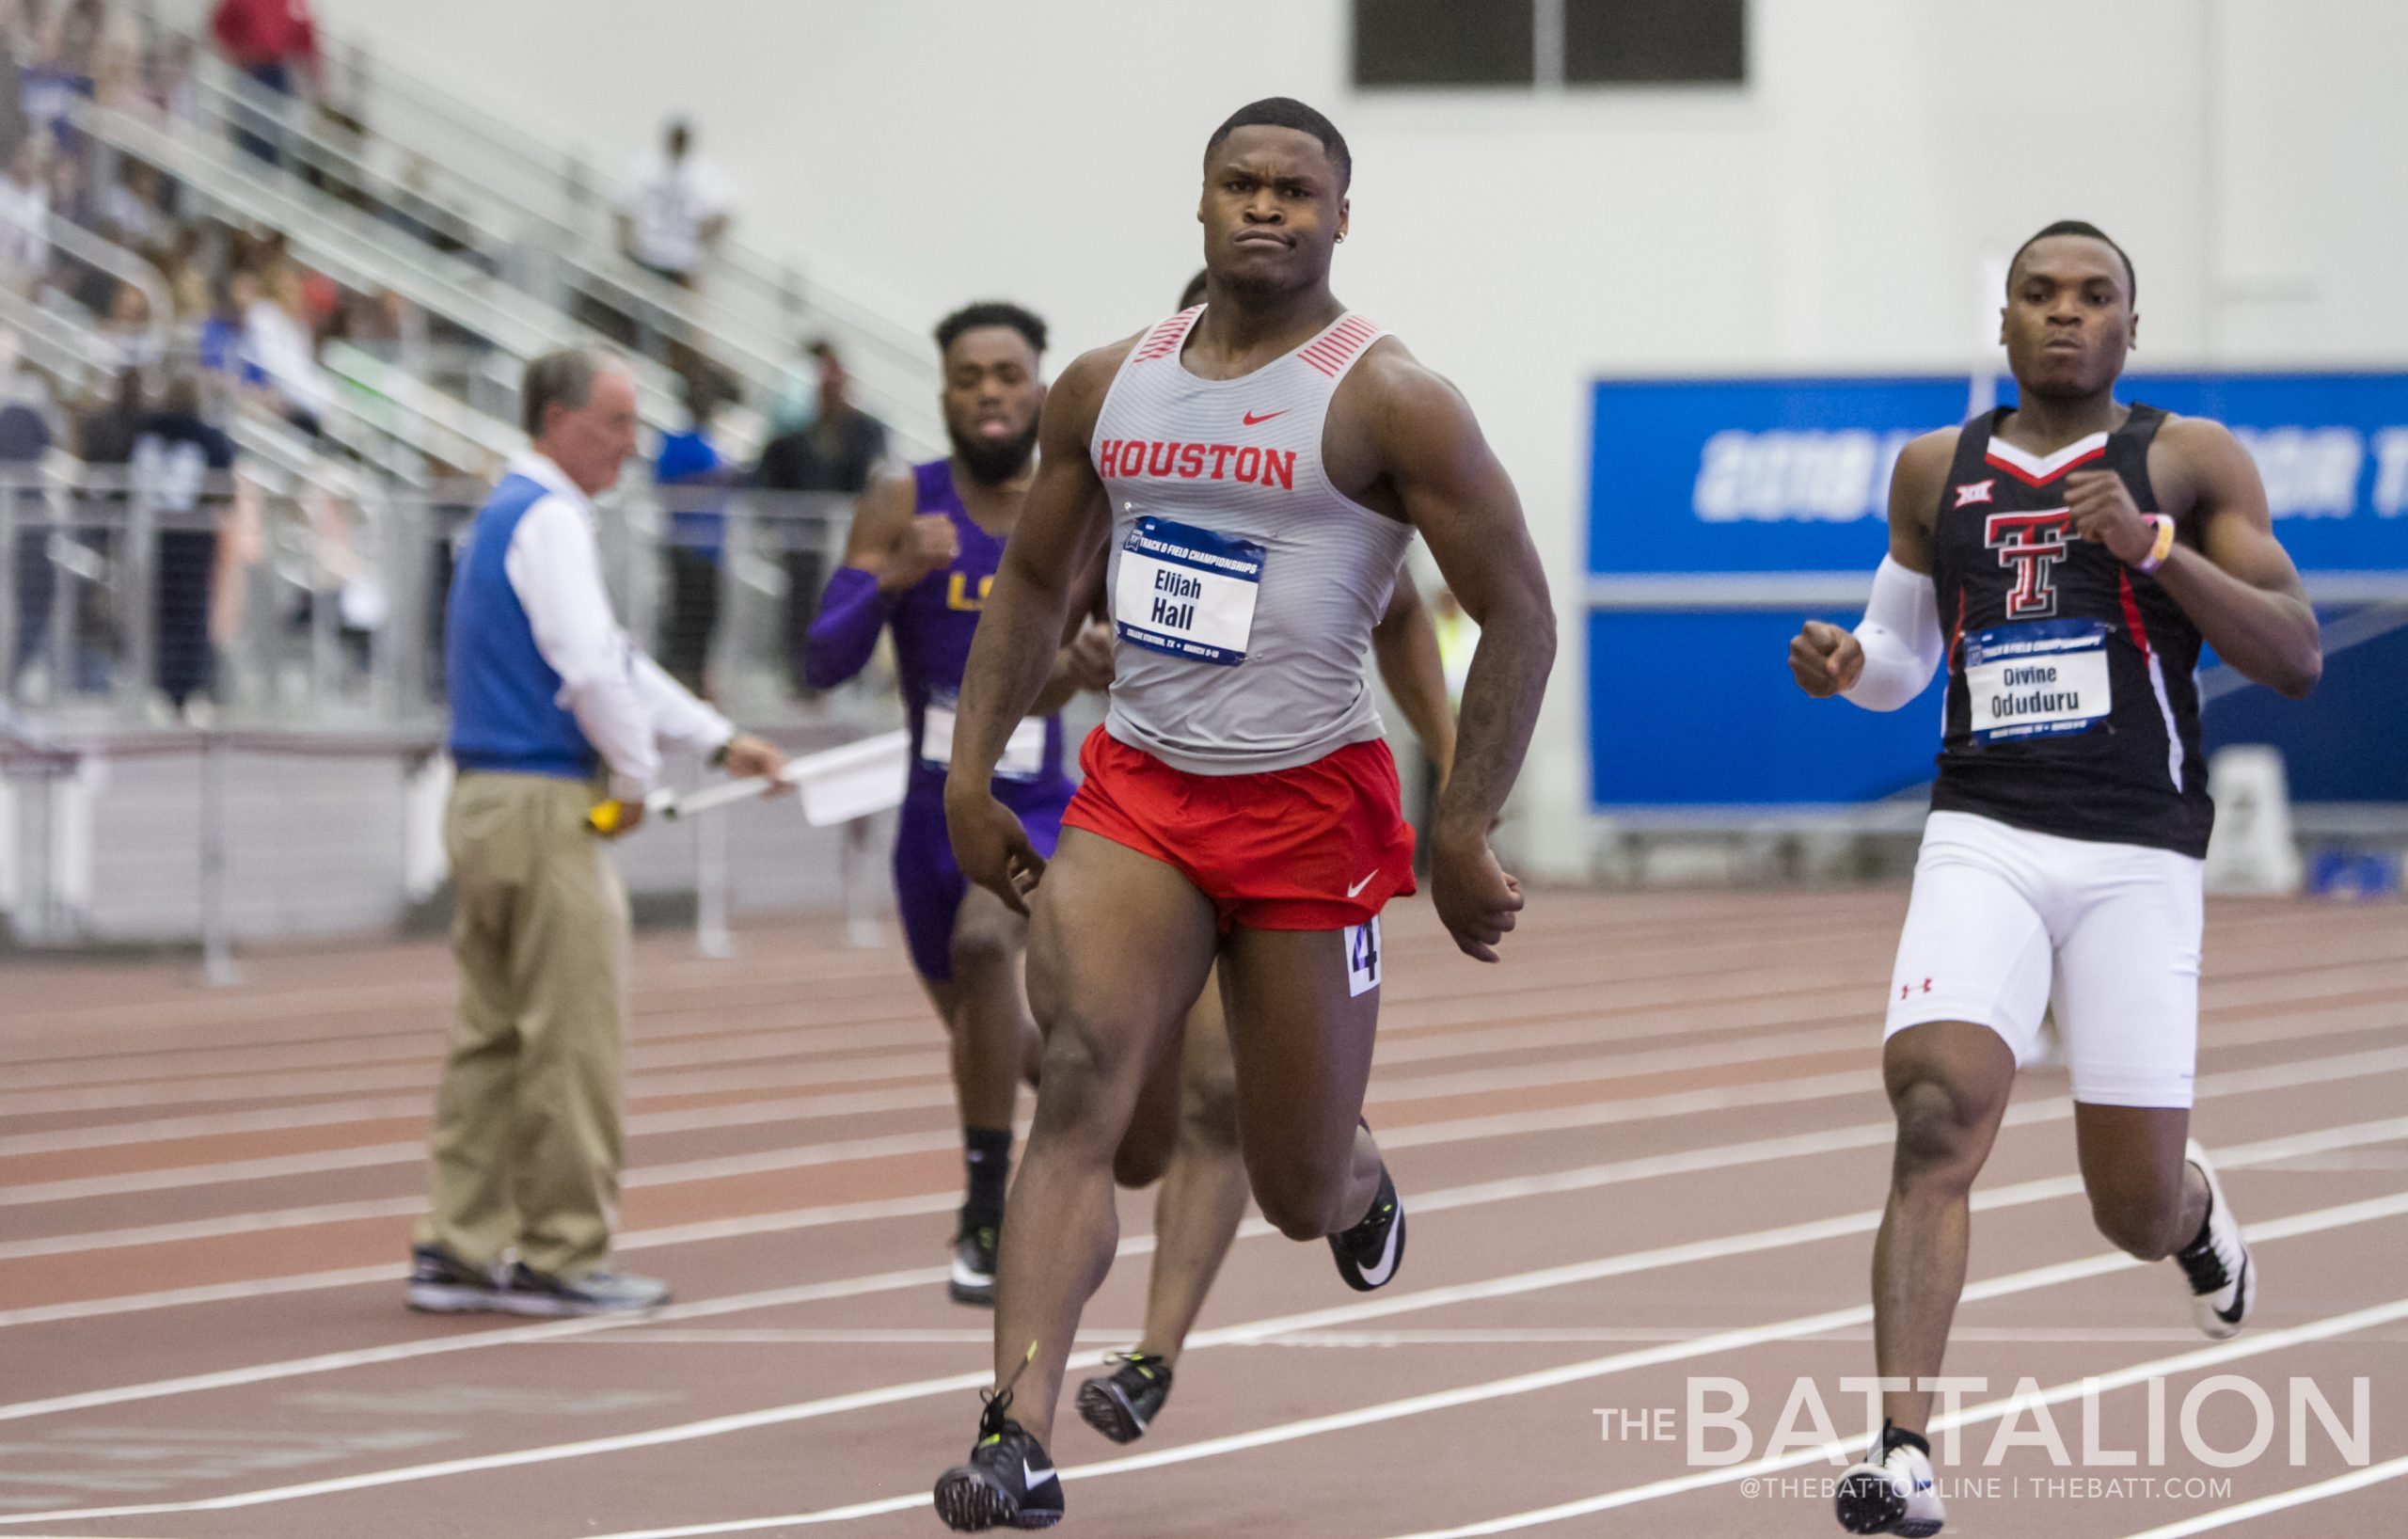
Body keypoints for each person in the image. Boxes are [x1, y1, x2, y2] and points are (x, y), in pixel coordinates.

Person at [930, 98, 1556, 1530]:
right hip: (1140, 791)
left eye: (1295, 190)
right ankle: (1016, 1434)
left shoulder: (1391, 399)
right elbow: (1034, 583)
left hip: (1310, 808)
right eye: (1240, 185)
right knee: (1082, 1078)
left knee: (1286, 1179)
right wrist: (973, 774)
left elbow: (1519, 614)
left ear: (1342, 216)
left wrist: (1459, 827)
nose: (1265, 209)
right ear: (1199, 206)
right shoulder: (1107, 385)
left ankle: (1359, 1176)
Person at [1787, 221, 2321, 1538]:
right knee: (1935, 1112)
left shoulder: (2187, 459)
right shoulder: (1937, 469)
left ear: (2132, 327)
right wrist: (1853, 672)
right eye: (2042, 294)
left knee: (2127, 1210)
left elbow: (2298, 652)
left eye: (2097, 297)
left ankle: (2191, 1213)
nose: (2067, 314)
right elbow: (1905, 658)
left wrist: (2155, 552)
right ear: (2008, 322)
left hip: (2138, 850)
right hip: (1986, 830)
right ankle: (1904, 1452)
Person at [1071, 274, 1459, 1448]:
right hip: (1143, 806)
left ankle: (1153, 1352)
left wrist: (1450, 779)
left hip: (1288, 815)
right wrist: (1077, 656)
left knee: (1217, 1099)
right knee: (1109, 1104)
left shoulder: (1332, 474)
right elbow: (1049, 617)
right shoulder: (1126, 454)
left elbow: (1402, 625)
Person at [412, 348, 787, 1318]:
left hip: (485, 796)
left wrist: (717, 737)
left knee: (492, 1033)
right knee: (572, 1035)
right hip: (543, 803)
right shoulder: (549, 518)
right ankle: (563, 1252)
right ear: (558, 419)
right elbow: (588, 666)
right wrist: (633, 780)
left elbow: (610, 657)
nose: (633, 443)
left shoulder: (509, 512)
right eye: (616, 421)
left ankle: (460, 1241)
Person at [804, 300, 1097, 1307]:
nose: (989, 394)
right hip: (926, 819)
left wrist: (1089, 665)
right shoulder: (901, 505)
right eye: (969, 377)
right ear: (943, 394)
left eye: (1007, 375)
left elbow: (1124, 663)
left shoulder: (1076, 511)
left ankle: (985, 1212)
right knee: (997, 1033)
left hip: (1035, 803)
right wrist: (890, 576)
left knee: (987, 948)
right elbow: (821, 659)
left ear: (1040, 389)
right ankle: (1117, 1115)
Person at [130, 372, 235, 716]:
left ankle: (161, 688)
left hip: (156, 536)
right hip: (192, 540)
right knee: (191, 615)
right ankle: (189, 690)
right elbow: (225, 488)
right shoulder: (207, 438)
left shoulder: (146, 433)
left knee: (159, 615)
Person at [654, 369, 733, 692]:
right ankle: (678, 680)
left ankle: (698, 677)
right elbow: (667, 485)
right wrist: (713, 479)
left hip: (711, 548)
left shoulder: (711, 443)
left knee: (708, 618)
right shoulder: (674, 443)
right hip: (686, 546)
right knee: (683, 619)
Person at [616, 117, 734, 288]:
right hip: (646, 251)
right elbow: (624, 208)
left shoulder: (703, 172)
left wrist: (701, 243)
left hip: (681, 261)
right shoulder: (648, 165)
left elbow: (724, 212)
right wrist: (625, 247)